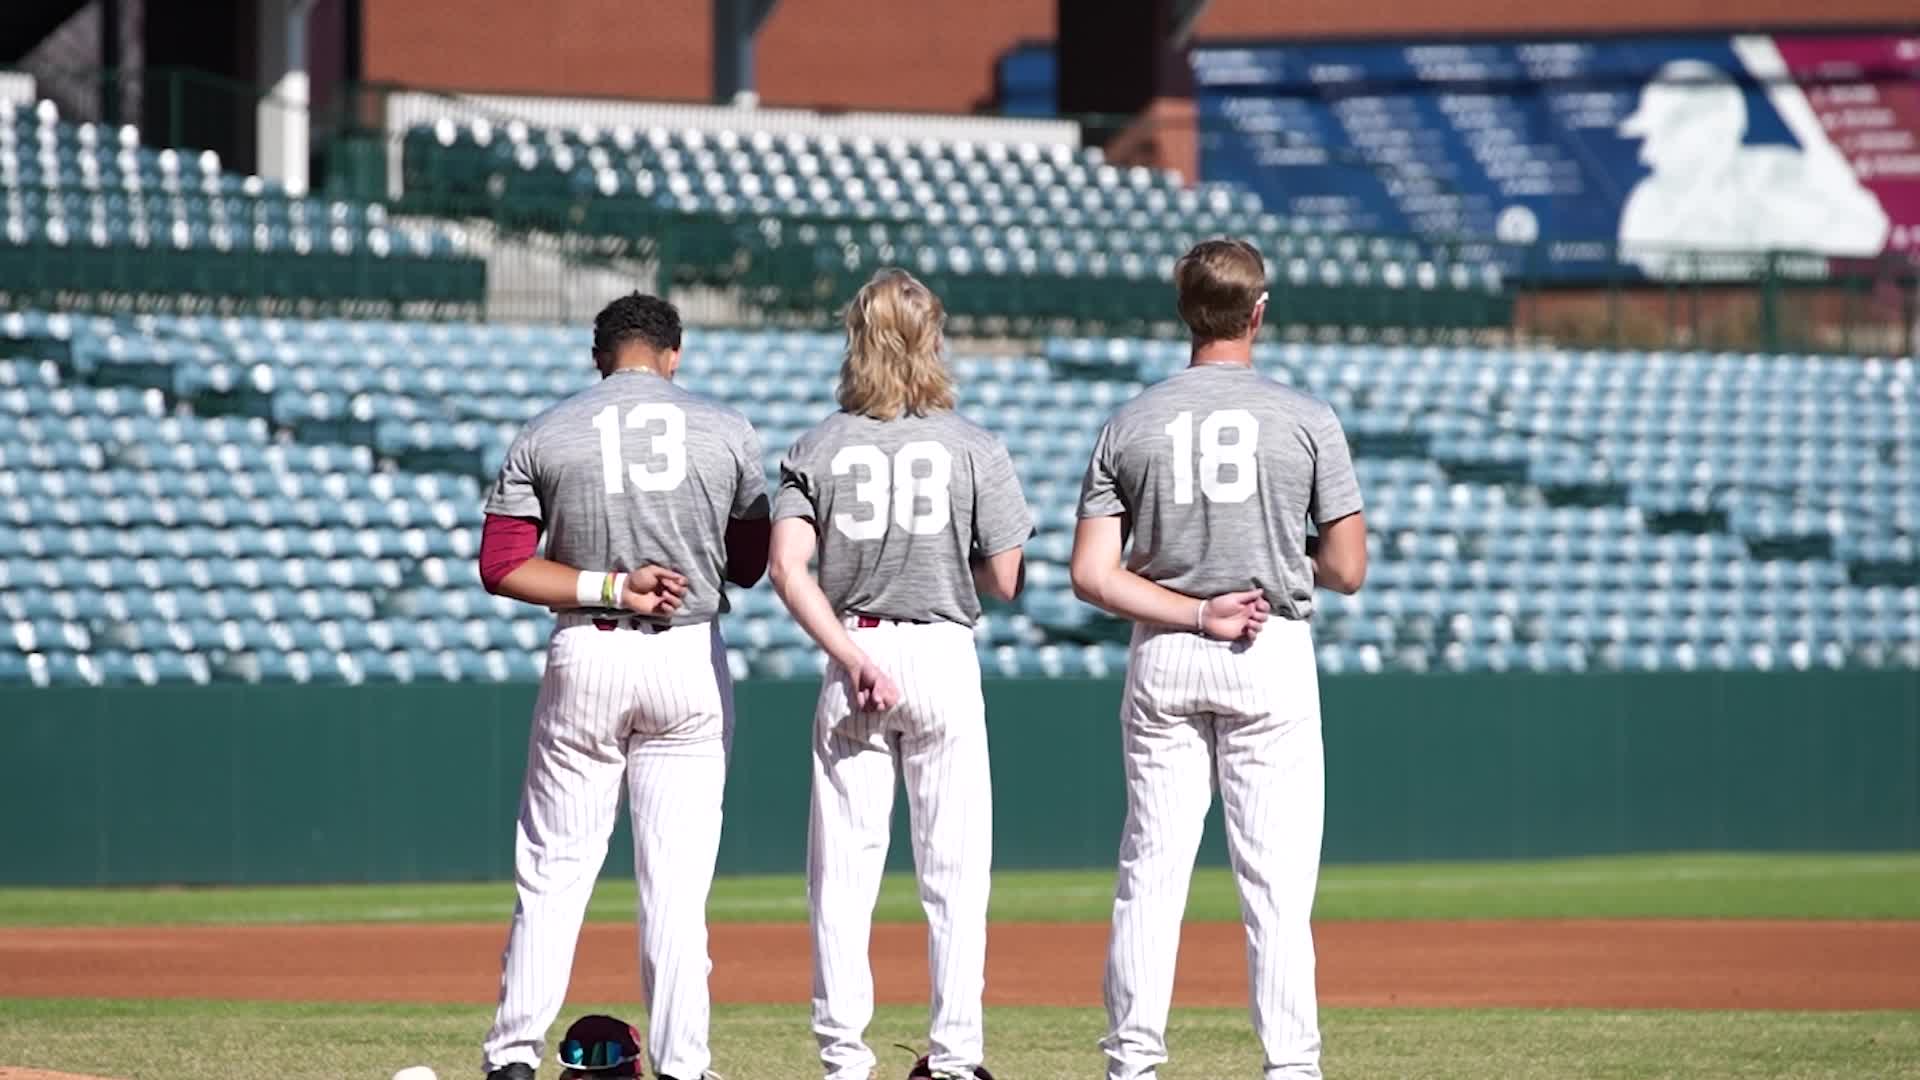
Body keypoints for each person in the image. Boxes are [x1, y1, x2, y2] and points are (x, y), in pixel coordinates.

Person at [1070, 238, 1367, 1080]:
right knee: (1275, 888)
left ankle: (1131, 1062)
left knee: (1150, 874)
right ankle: (1290, 1067)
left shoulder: (1131, 420)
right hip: (1267, 646)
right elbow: (1347, 568)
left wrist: (1196, 610)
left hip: (1168, 648)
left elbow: (1093, 574)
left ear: (1185, 311)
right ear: (1258, 311)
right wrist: (1275, 562)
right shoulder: (1306, 418)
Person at [474, 292, 771, 1080]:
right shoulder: (727, 429)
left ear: (599, 356)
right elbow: (748, 564)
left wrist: (609, 584)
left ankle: (511, 1057)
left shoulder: (548, 430)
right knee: (675, 890)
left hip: (589, 650)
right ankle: (682, 1065)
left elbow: (502, 565)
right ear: (674, 356)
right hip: (688, 658)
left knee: (554, 872)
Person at [767, 268, 1031, 1080]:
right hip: (942, 652)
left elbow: (786, 569)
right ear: (932, 338)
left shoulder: (818, 444)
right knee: (954, 878)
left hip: (855, 654)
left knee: (841, 881)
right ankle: (956, 1059)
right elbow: (1006, 576)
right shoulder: (974, 444)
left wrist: (850, 657)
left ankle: (845, 1061)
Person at [1616, 58, 1889, 277]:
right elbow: (1637, 274)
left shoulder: (1787, 172)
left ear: (1711, 128)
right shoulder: (1650, 201)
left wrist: (1808, 211)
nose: (1648, 153)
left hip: (1792, 326)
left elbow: (1869, 234)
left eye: (1663, 134)